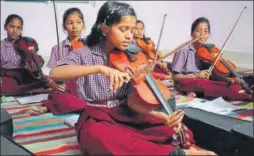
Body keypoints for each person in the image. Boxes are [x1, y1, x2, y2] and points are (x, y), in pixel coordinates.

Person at [49, 2, 216, 155]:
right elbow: (55, 73)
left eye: (131, 29)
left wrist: (162, 117)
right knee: (99, 139)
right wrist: (100, 68)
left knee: (171, 129)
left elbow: (132, 102)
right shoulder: (84, 53)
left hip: (125, 114)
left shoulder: (129, 58)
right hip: (97, 117)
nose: (130, 36)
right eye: (123, 29)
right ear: (104, 28)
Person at [171, 17, 253, 101]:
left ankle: (201, 92)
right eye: (198, 31)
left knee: (234, 85)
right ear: (192, 33)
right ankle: (246, 97)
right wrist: (196, 75)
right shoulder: (183, 50)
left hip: (202, 81)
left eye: (205, 31)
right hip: (186, 81)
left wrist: (229, 80)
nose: (202, 35)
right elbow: (175, 77)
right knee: (205, 84)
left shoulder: (205, 51)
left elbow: (213, 74)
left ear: (208, 34)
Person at [41, 8, 87, 114]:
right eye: (70, 23)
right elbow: (51, 73)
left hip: (85, 88)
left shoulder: (89, 45)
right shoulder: (57, 48)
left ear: (83, 24)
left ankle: (50, 106)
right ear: (64, 26)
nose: (75, 27)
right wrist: (52, 83)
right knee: (61, 97)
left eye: (78, 22)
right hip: (66, 88)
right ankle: (83, 107)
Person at [1, 14, 51, 96]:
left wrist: (37, 65)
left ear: (21, 30)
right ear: (5, 27)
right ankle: (32, 90)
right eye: (11, 26)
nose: (15, 30)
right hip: (8, 76)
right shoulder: (1, 45)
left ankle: (24, 90)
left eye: (18, 28)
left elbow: (37, 58)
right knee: (5, 86)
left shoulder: (25, 43)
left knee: (47, 81)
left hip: (26, 74)